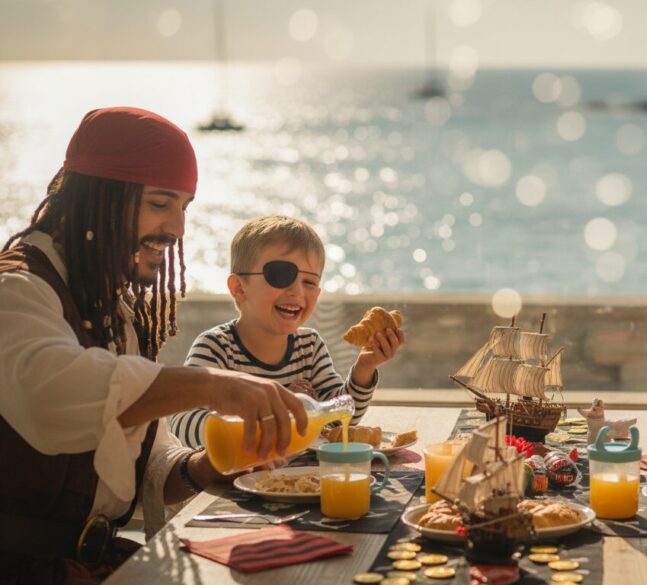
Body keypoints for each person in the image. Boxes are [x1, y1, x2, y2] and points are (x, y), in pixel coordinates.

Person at [0, 107, 307, 583]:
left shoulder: (111, 309)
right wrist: (214, 385)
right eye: (161, 203)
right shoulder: (16, 290)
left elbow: (148, 460)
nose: (178, 228)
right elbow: (53, 398)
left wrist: (209, 466)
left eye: (184, 207)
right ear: (101, 196)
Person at [169, 215, 404, 449]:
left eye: (310, 282)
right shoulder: (216, 348)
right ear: (239, 288)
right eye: (280, 275)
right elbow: (181, 423)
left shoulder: (309, 346)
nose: (297, 291)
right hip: (237, 482)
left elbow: (338, 422)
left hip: (302, 479)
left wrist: (365, 368)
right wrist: (267, 417)